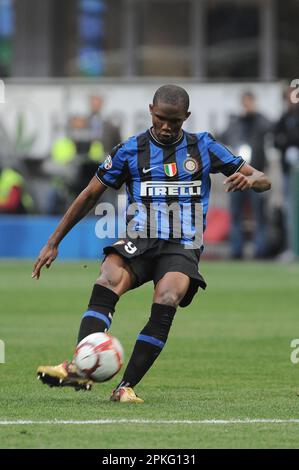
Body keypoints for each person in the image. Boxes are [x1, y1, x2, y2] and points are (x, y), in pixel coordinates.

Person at [33, 85, 271, 403]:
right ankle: (80, 367)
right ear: (151, 111)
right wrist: (53, 241)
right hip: (141, 238)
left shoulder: (204, 146)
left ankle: (126, 386)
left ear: (186, 117)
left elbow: (263, 179)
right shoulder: (130, 150)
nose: (167, 127)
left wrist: (251, 180)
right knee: (108, 276)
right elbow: (90, 195)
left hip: (183, 244)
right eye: (161, 118)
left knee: (168, 295)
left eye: (175, 121)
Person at [221, 91, 272, 259]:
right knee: (236, 214)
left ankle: (260, 250)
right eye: (245, 102)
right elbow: (224, 135)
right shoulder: (236, 122)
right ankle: (236, 250)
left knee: (259, 214)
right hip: (237, 174)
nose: (247, 106)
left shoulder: (261, 120)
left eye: (250, 102)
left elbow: (269, 128)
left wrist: (254, 115)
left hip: (256, 174)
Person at [273, 86, 299, 262]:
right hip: (289, 171)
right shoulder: (283, 119)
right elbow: (277, 139)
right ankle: (292, 248)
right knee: (290, 210)